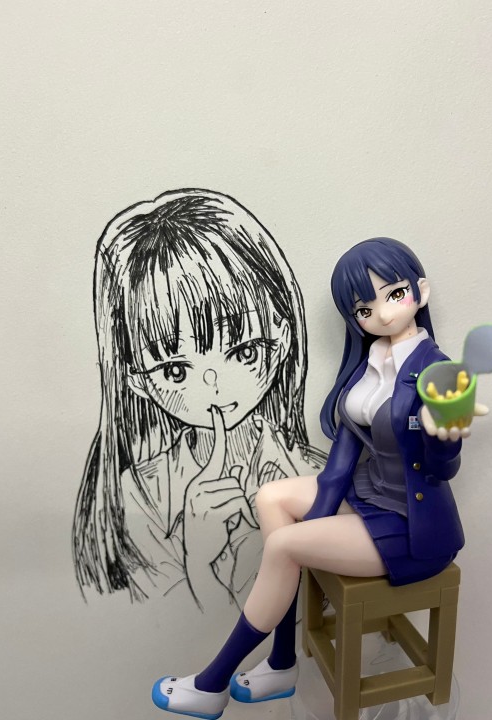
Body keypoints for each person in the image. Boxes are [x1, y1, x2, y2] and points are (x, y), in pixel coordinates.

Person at [152, 237, 485, 719]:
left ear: (421, 291)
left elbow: (440, 470)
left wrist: (444, 437)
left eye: (394, 294)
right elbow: (341, 463)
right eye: (364, 309)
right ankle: (282, 662)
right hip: (370, 494)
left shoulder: (441, 373)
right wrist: (319, 523)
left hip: (414, 525)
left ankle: (212, 684)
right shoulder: (369, 364)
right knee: (272, 498)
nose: (381, 314)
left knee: (283, 547)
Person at [72, 189, 324, 605]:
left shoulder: (317, 472)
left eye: (243, 351)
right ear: (137, 380)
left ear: (281, 338)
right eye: (175, 370)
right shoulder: (138, 497)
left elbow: (324, 608)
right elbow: (164, 626)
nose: (213, 385)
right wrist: (199, 561)